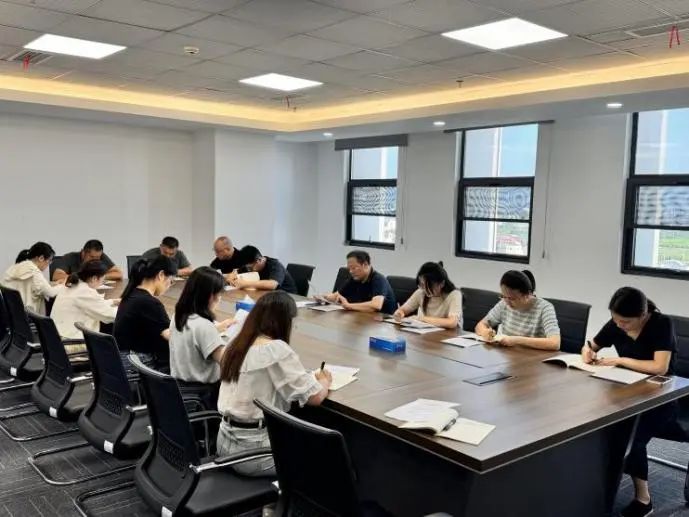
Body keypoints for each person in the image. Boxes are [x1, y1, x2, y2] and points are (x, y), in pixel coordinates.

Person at [582, 287, 676, 517]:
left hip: (660, 397)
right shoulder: (617, 323)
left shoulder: (661, 324)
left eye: (625, 322)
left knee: (629, 436)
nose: (619, 325)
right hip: (625, 391)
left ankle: (643, 499)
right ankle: (595, 491)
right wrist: (588, 352)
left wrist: (621, 360)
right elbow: (591, 345)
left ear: (642, 315)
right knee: (598, 424)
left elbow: (660, 367)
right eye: (616, 320)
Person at [217, 291, 331, 476]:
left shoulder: (236, 343)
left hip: (224, 445)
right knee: (324, 459)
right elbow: (315, 397)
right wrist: (324, 380)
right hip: (255, 453)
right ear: (283, 321)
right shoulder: (276, 350)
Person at [169, 266, 234, 409]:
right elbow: (228, 363)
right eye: (219, 294)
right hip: (204, 395)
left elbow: (195, 336)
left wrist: (217, 328)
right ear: (211, 296)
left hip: (180, 389)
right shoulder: (204, 326)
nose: (220, 299)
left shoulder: (178, 316)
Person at [113, 256, 177, 372]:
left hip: (122, 361)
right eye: (171, 281)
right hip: (136, 363)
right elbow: (172, 337)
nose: (169, 286)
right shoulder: (149, 302)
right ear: (161, 275)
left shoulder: (131, 295)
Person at [475, 270, 560, 350]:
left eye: (511, 298)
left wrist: (516, 340)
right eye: (503, 296)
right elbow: (481, 325)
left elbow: (555, 343)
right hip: (506, 354)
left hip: (531, 357)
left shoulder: (545, 308)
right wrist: (485, 332)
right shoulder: (503, 303)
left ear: (527, 295)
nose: (507, 302)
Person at [51, 260, 118, 341]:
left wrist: (113, 302)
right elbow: (109, 315)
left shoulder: (72, 284)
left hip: (57, 337)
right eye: (102, 280)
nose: (102, 283)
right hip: (71, 341)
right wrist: (125, 308)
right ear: (94, 278)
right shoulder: (85, 291)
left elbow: (93, 305)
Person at [322, 250, 396, 314]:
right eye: (349, 268)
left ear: (365, 265)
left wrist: (349, 306)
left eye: (354, 268)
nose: (351, 271)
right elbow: (336, 296)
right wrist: (323, 298)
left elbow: (376, 305)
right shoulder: (355, 278)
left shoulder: (378, 279)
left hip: (383, 320)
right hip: (365, 317)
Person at [393, 262, 462, 329]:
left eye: (429, 285)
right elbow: (403, 310)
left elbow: (452, 322)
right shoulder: (421, 292)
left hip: (450, 334)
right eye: (422, 284)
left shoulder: (454, 295)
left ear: (442, 284)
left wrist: (421, 319)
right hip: (429, 333)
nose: (425, 289)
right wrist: (399, 313)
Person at [3, 242, 62, 315]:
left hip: (11, 314)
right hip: (27, 315)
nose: (49, 264)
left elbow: (35, 285)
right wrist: (63, 285)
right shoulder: (34, 272)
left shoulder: (16, 267)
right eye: (49, 260)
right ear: (41, 258)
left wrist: (54, 284)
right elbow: (51, 293)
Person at [230, 245, 297, 295]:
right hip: (268, 295)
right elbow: (234, 273)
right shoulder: (249, 265)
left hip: (288, 297)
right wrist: (232, 278)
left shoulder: (275, 265)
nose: (249, 270)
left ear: (259, 260)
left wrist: (245, 284)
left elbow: (272, 284)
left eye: (250, 268)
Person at [52, 239, 123, 282]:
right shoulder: (70, 257)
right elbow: (56, 276)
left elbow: (118, 274)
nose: (95, 260)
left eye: (97, 257)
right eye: (92, 257)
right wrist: (82, 278)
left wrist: (99, 277)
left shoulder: (101, 256)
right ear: (83, 253)